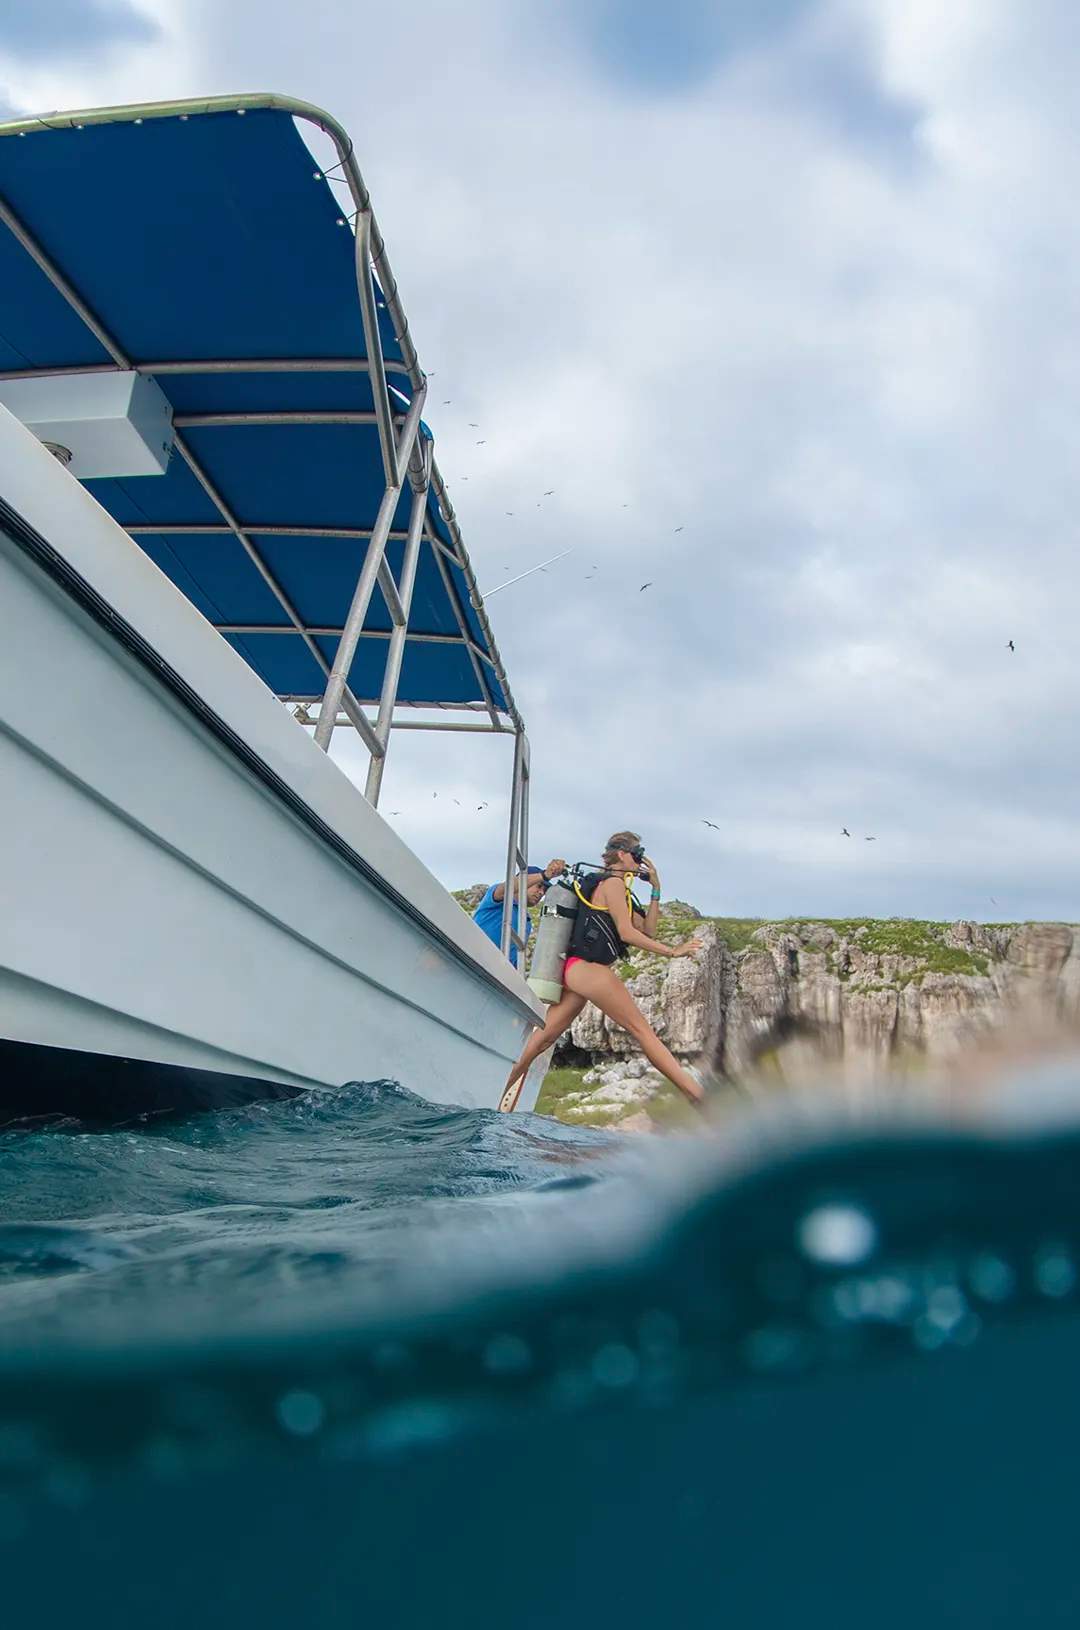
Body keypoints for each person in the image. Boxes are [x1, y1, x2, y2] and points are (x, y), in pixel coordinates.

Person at [499, 831, 704, 1112]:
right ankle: (698, 1097)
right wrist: (671, 952)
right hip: (589, 970)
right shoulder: (614, 885)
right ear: (622, 854)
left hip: (572, 970)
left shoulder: (612, 887)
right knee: (643, 1032)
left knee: (542, 1040)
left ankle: (498, 1085)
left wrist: (655, 889)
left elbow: (649, 930)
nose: (640, 862)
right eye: (637, 855)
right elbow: (627, 933)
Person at [472, 858, 567, 969]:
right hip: (472, 961)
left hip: (496, 975)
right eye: (539, 886)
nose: (541, 892)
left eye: (545, 890)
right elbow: (508, 887)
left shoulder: (526, 922)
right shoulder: (499, 899)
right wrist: (544, 875)